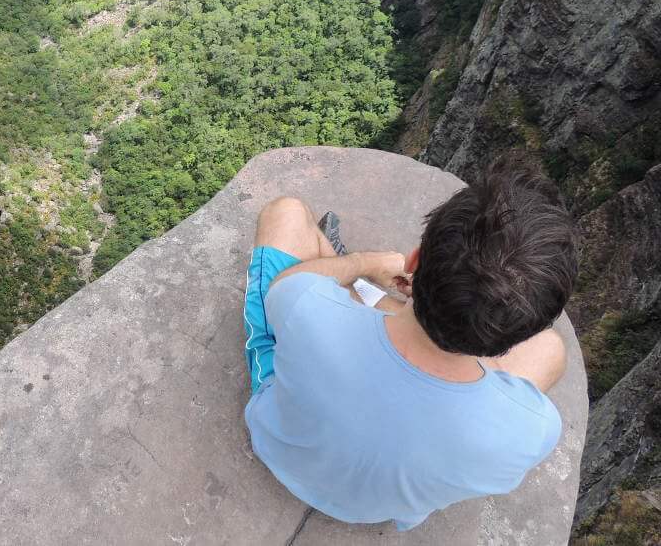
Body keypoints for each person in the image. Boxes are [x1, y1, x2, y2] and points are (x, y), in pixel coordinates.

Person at [242, 161, 577, 531]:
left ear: (414, 259)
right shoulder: (533, 430)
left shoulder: (303, 304)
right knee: (551, 351)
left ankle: (360, 285)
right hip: (373, 507)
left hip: (279, 445)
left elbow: (288, 284)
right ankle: (396, 307)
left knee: (286, 212)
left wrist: (364, 262)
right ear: (519, 334)